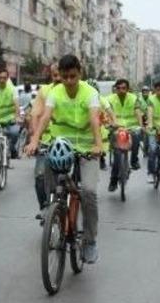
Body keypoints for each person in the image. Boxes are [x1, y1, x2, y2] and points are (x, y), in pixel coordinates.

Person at [25, 55, 103, 263]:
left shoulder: (91, 93)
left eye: (73, 76)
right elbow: (45, 117)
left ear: (80, 74)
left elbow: (95, 119)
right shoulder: (55, 92)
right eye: (65, 77)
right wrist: (34, 140)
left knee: (88, 191)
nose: (69, 81)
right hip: (61, 146)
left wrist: (98, 145)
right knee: (51, 185)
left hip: (87, 148)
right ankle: (56, 213)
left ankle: (90, 241)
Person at [30, 63, 63, 213]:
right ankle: (44, 207)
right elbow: (36, 114)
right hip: (47, 140)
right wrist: (34, 139)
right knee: (40, 176)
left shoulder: (74, 90)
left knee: (71, 180)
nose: (58, 78)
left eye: (60, 74)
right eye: (54, 75)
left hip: (69, 141)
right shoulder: (44, 91)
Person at [107, 79, 143, 191]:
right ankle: (113, 181)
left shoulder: (133, 98)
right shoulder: (110, 99)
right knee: (117, 156)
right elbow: (108, 113)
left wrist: (140, 126)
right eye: (118, 88)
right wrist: (110, 124)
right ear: (115, 89)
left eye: (123, 88)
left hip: (131, 127)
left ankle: (134, 160)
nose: (121, 90)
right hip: (116, 128)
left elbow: (137, 112)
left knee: (137, 135)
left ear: (128, 89)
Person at [0, 68, 21, 160]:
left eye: (4, 78)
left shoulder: (12, 89)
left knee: (15, 133)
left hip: (9, 120)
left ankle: (11, 148)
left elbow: (16, 104)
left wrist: (17, 116)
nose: (2, 80)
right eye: (0, 78)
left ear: (7, 78)